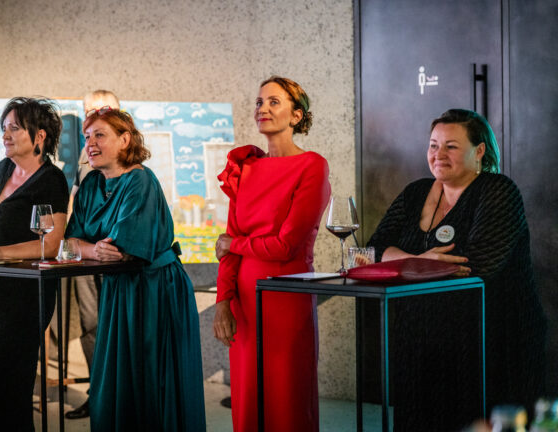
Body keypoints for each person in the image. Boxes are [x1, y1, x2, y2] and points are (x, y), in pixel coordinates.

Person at [367, 108, 547, 431]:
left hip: (489, 342)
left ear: (479, 151)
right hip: (420, 339)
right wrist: (421, 262)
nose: (439, 154)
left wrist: (402, 261)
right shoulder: (415, 193)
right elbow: (372, 249)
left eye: (451, 146)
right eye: (433, 145)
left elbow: (475, 265)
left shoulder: (498, 191)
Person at [63, 107, 206, 431]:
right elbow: (69, 243)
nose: (90, 144)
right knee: (117, 382)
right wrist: (92, 250)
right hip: (119, 290)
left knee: (152, 381)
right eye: (87, 137)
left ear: (125, 139)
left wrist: (90, 249)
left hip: (155, 290)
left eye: (100, 135)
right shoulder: (90, 184)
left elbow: (122, 250)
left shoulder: (140, 180)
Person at [212, 76, 331, 432]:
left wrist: (234, 244)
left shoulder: (312, 165)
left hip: (287, 295)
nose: (262, 108)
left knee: (287, 396)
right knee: (248, 397)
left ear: (296, 116)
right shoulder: (245, 166)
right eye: (259, 102)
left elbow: (285, 246)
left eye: (274, 102)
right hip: (245, 301)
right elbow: (229, 243)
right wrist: (223, 301)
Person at [0, 97, 68, 431]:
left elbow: (51, 244)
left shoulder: (50, 180)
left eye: (15, 128)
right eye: (4, 128)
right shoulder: (3, 169)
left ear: (40, 136)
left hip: (23, 296)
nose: (6, 135)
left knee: (12, 385)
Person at [63, 89, 120, 420]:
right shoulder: (84, 159)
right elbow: (74, 203)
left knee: (118, 322)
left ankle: (120, 393)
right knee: (90, 322)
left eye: (104, 109)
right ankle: (97, 393)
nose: (96, 115)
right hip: (85, 255)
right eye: (90, 111)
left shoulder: (131, 158)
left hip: (116, 257)